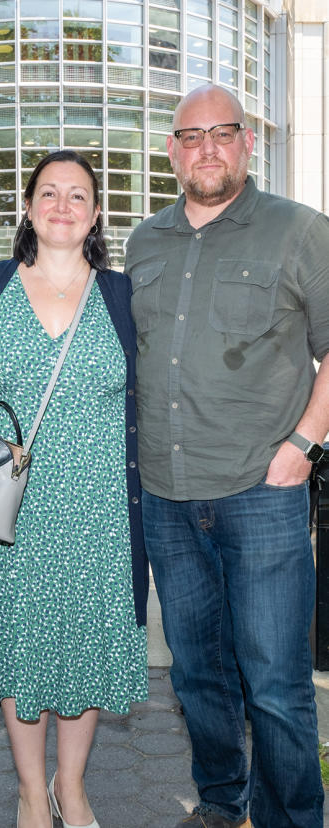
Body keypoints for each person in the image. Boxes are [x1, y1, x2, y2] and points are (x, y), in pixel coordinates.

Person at [125, 84, 329, 828]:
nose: (206, 147)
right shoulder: (145, 241)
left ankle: (292, 819)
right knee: (199, 674)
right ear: (173, 153)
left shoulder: (301, 232)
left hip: (263, 492)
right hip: (170, 500)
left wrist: (304, 445)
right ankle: (220, 801)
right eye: (190, 136)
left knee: (275, 683)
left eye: (222, 133)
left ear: (249, 143)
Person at [0, 150, 149, 828]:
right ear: (29, 206)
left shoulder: (122, 294)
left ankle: (71, 787)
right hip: (11, 505)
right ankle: (30, 794)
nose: (62, 205)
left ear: (96, 213)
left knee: (86, 642)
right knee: (20, 642)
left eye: (78, 195)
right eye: (49, 192)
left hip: (99, 506)